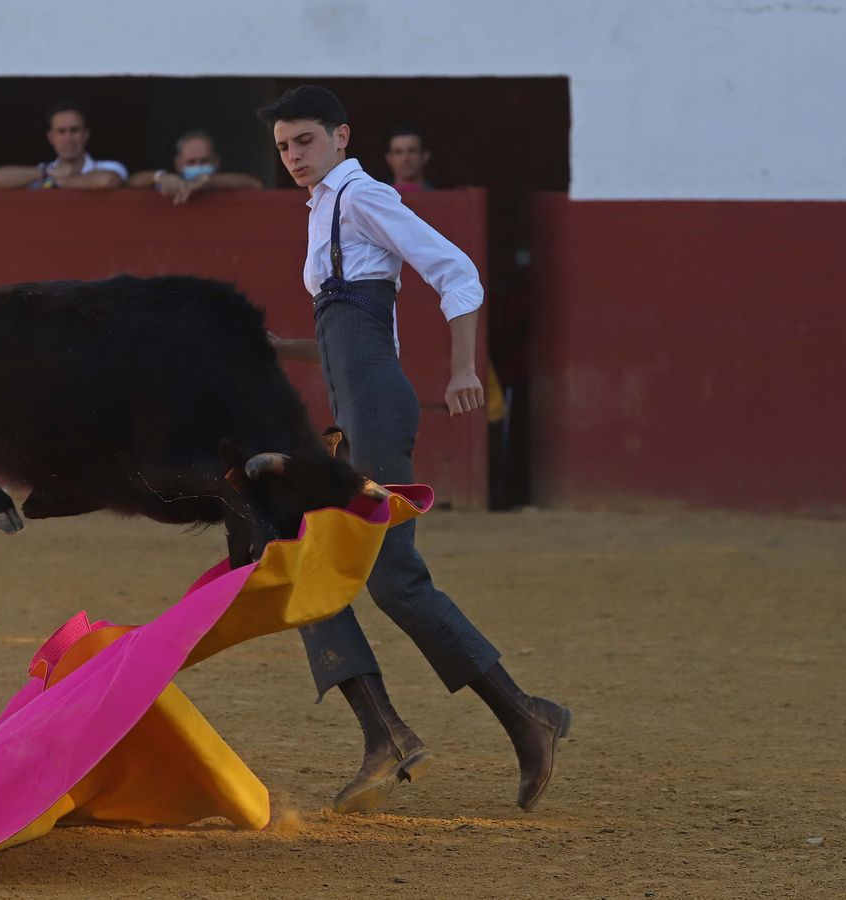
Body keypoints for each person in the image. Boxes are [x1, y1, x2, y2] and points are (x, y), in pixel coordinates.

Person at [257, 85, 570, 813]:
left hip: (374, 407)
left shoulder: (361, 195)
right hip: (358, 408)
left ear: (341, 136)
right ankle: (391, 733)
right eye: (283, 147)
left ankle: (519, 717)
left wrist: (463, 367)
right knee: (304, 560)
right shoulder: (326, 209)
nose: (293, 156)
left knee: (394, 579)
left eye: (305, 141)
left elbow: (457, 270)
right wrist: (284, 349)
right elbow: (359, 332)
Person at [0, 101, 127, 191]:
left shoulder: (108, 167)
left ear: (85, 135)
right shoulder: (44, 172)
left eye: (74, 130)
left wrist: (54, 182)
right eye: (61, 131)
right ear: (51, 138)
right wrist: (48, 173)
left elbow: (106, 181)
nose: (68, 138)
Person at [129, 129, 264, 205]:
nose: (198, 166)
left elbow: (254, 184)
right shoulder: (171, 183)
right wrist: (159, 177)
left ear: (216, 161)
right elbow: (132, 181)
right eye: (191, 162)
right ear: (179, 164)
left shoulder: (222, 183)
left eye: (204, 161)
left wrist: (208, 180)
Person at [383, 124, 433, 193]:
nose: (405, 158)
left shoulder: (440, 195)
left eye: (412, 151)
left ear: (425, 156)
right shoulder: (379, 196)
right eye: (398, 152)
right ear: (389, 158)